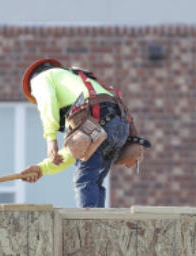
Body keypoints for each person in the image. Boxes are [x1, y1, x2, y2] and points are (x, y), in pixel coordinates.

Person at [16, 58, 150, 208]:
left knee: (85, 180)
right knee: (93, 180)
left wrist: (50, 138)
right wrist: (42, 168)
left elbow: (48, 103)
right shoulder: (77, 85)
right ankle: (97, 225)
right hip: (119, 124)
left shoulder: (40, 79)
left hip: (100, 118)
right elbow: (75, 152)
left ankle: (89, 226)